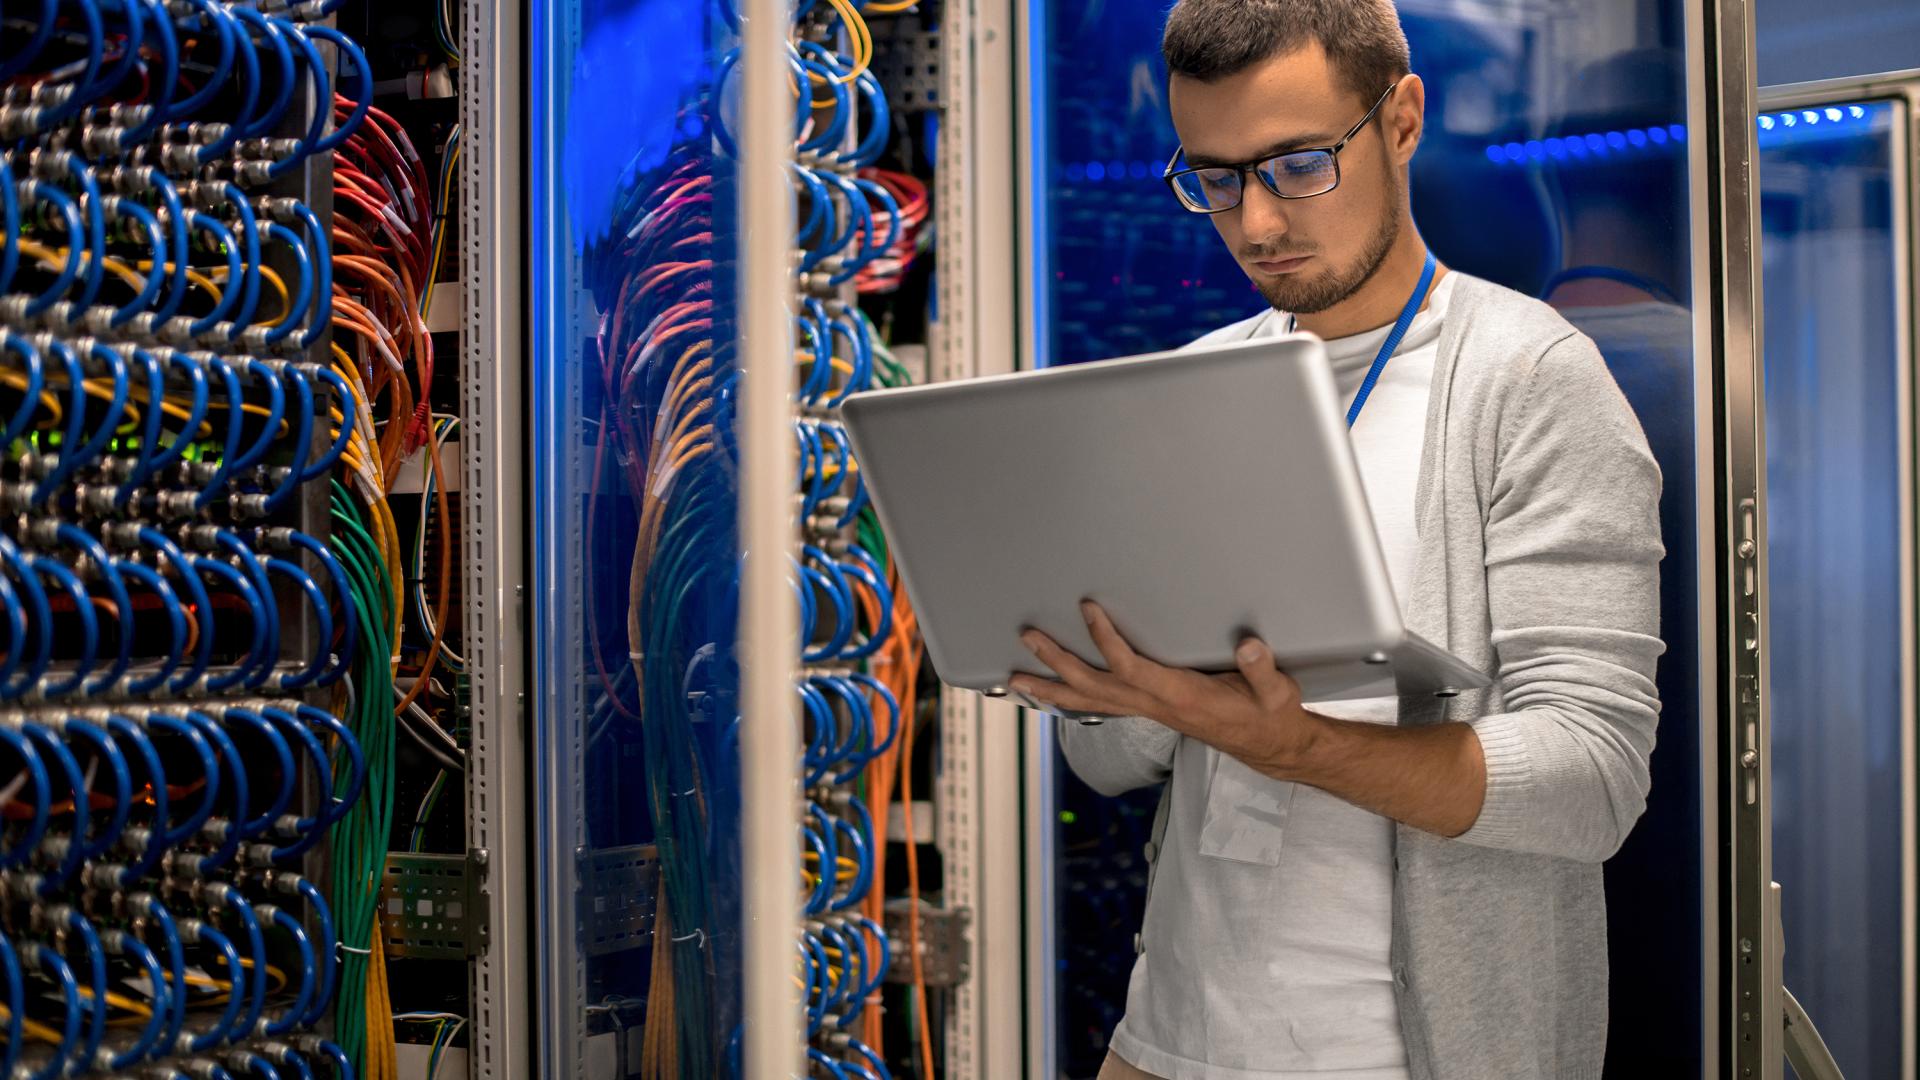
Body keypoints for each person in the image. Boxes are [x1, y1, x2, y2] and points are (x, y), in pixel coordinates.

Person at [1014, 2, 1667, 1078]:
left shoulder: (1527, 381)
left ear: (1402, 120)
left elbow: (1592, 776)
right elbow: (1106, 759)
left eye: (1299, 164)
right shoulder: (1191, 387)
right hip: (1169, 1044)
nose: (1256, 223)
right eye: (1216, 179)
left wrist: (1297, 744)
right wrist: (1130, 690)